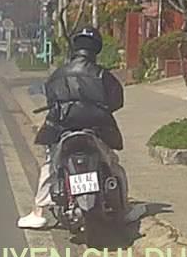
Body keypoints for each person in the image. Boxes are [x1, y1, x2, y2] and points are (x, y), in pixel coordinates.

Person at [18, 27, 138, 229]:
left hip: (62, 130)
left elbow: (50, 100)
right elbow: (117, 101)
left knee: (50, 166)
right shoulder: (103, 75)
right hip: (97, 130)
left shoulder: (57, 75)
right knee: (113, 164)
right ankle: (124, 209)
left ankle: (39, 212)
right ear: (96, 49)